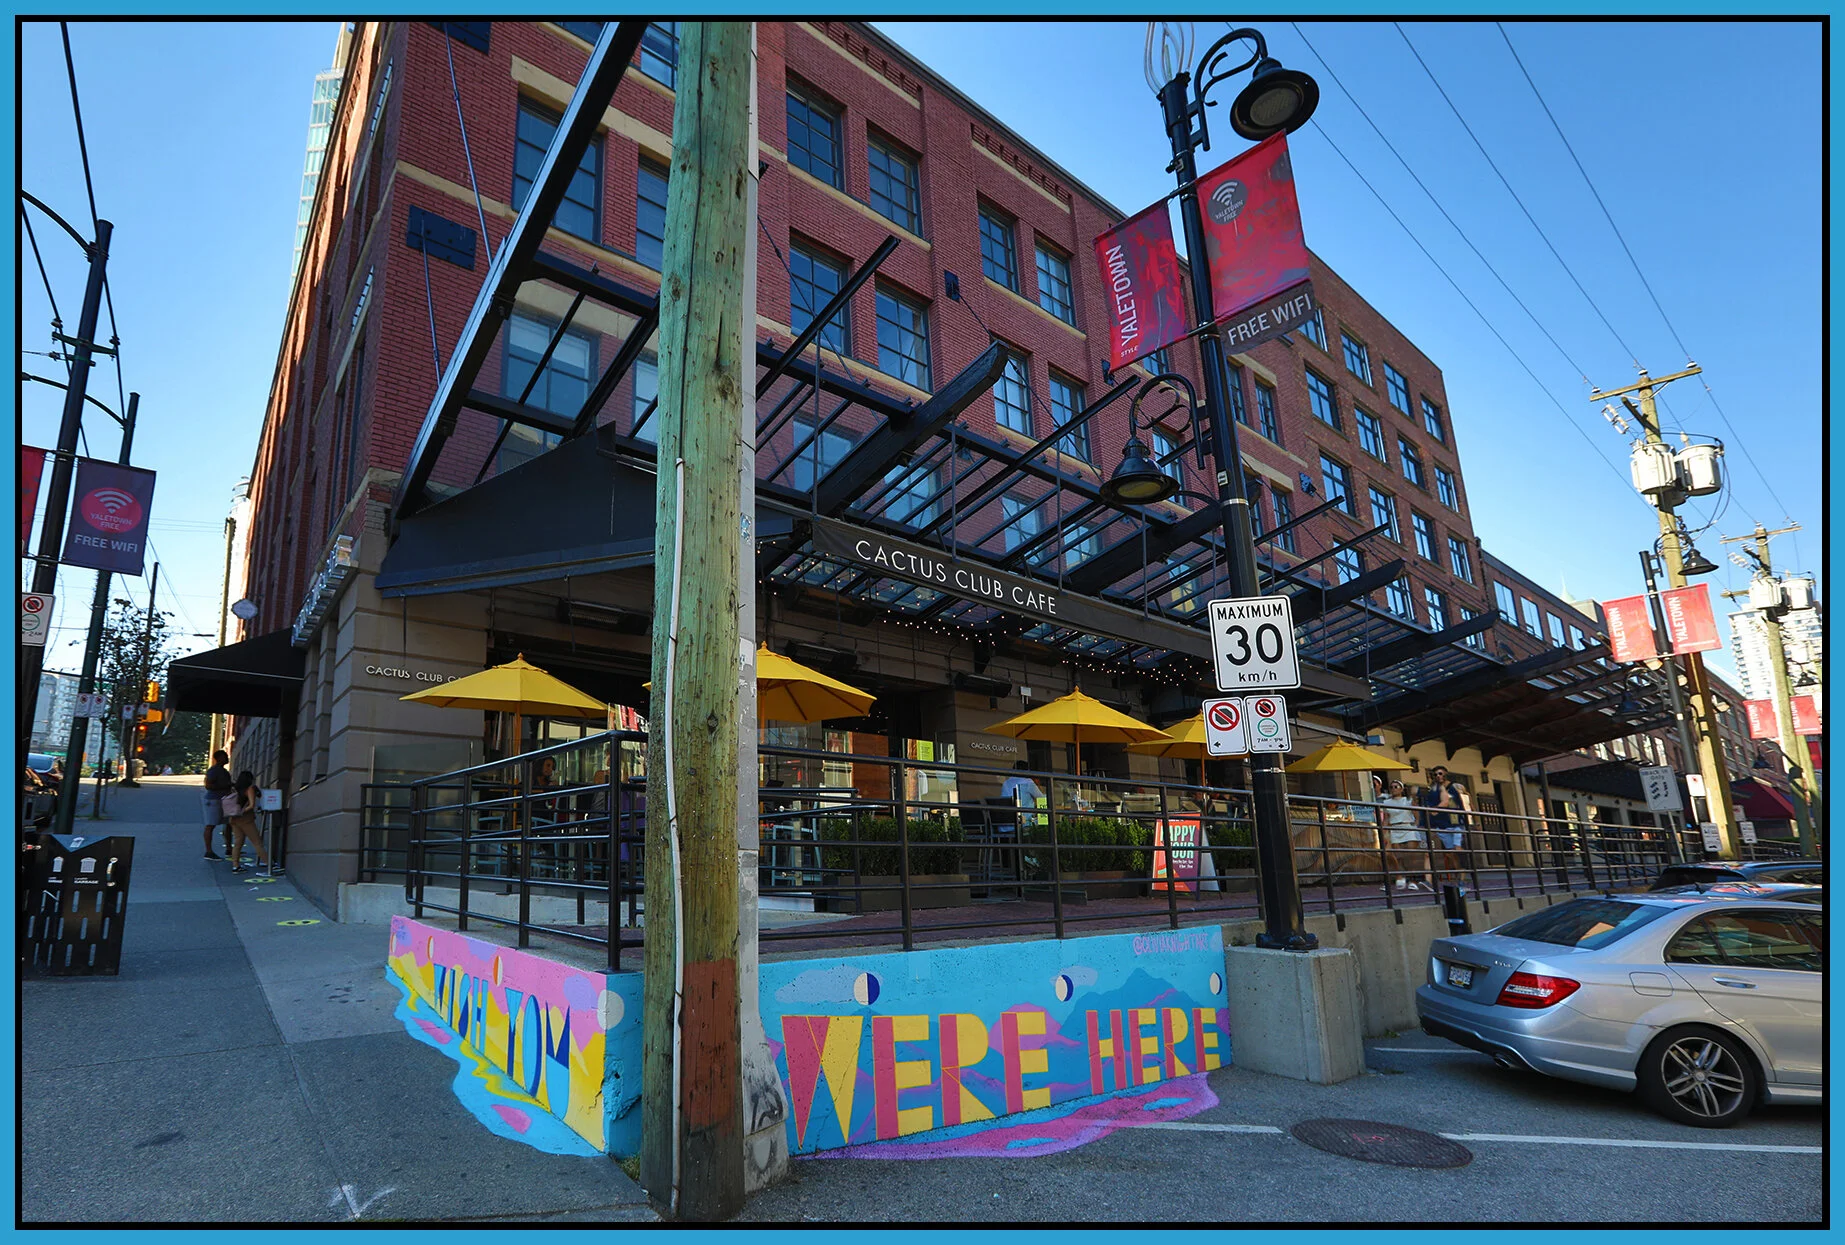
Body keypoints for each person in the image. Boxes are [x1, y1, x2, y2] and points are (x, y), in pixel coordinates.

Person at [1417, 765, 1472, 880]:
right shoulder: (1433, 789)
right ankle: (1456, 872)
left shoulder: (1453, 787)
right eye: (1435, 774)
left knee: (1458, 849)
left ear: (1445, 774)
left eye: (1440, 773)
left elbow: (1461, 804)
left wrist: (1466, 820)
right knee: (1449, 852)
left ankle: (1461, 875)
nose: (1438, 776)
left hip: (1455, 821)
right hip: (1441, 823)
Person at [1376, 776, 1430, 891]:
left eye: (1396, 787)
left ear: (1401, 789)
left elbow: (1416, 814)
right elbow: (1386, 818)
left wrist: (1414, 825)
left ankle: (1413, 880)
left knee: (1411, 855)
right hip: (1395, 828)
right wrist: (1384, 830)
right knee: (1398, 856)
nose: (1394, 789)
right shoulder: (1386, 802)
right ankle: (1401, 877)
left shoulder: (1408, 800)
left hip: (1408, 827)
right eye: (1391, 787)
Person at [223, 770, 274, 874]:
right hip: (245, 819)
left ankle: (235, 866)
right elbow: (251, 805)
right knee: (257, 842)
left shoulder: (235, 789)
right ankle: (270, 865)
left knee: (238, 843)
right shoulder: (249, 789)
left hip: (233, 819)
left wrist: (236, 813)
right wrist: (241, 812)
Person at [202, 750, 234, 859]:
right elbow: (208, 785)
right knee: (210, 825)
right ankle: (209, 851)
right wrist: (225, 786)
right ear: (218, 758)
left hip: (223, 800)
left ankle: (229, 848)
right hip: (214, 800)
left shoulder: (223, 771)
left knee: (229, 824)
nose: (227, 758)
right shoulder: (214, 771)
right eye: (224, 756)